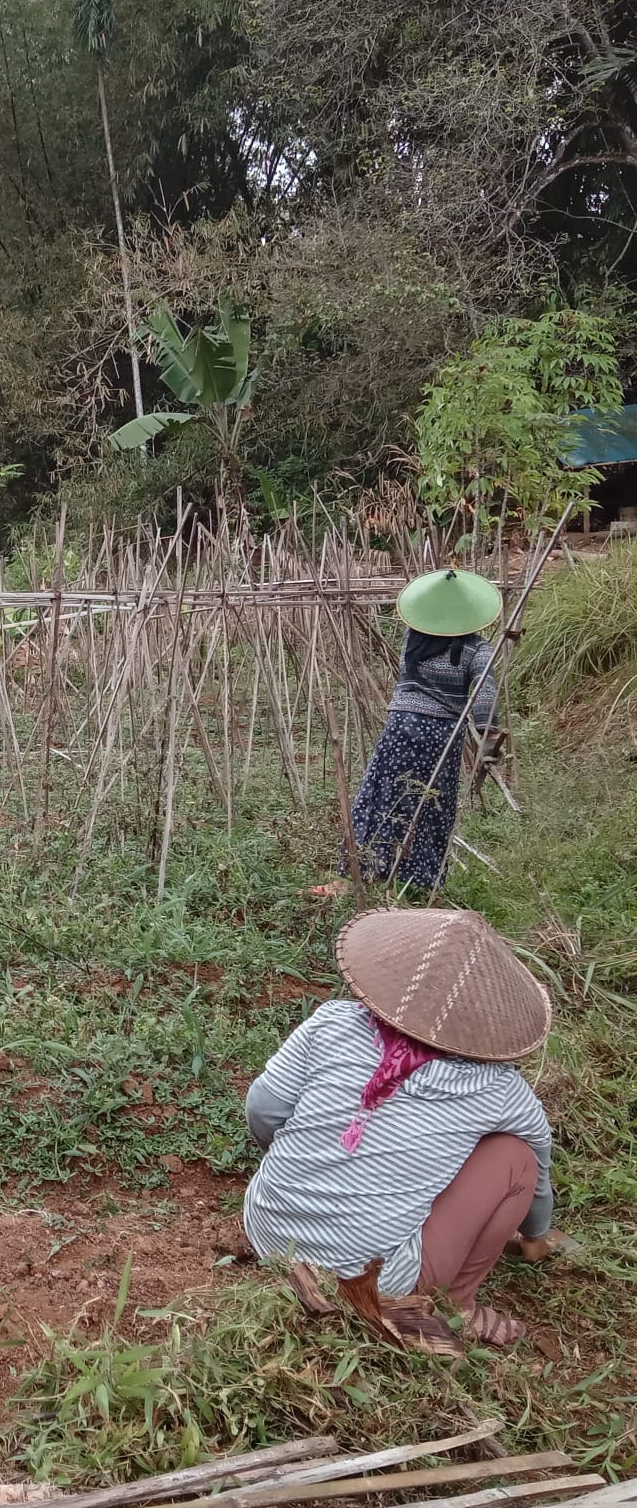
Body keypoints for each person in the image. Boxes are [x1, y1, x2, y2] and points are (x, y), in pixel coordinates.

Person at [242, 906, 555, 1347]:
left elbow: (263, 1110)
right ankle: (459, 1304)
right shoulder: (500, 1088)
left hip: (267, 1233)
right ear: (490, 1026)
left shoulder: (332, 1022)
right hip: (374, 1281)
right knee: (517, 1160)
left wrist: (318, 1162)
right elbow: (538, 1174)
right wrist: (536, 1235)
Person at [315, 569, 502, 896]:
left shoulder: (413, 640)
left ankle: (364, 870)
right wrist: (488, 737)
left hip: (401, 727)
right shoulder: (477, 650)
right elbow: (485, 692)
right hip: (439, 735)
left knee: (382, 797)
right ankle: (422, 881)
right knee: (430, 804)